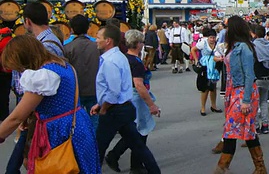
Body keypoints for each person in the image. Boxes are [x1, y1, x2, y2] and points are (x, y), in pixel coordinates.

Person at [0, 35, 100, 173]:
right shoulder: (64, 65)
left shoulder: (43, 75)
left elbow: (16, 117)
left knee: (59, 166)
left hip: (59, 131)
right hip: (78, 124)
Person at [91, 25, 161, 174]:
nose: (96, 40)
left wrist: (103, 108)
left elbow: (113, 91)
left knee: (97, 149)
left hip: (114, 109)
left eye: (98, 37)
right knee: (138, 145)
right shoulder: (118, 56)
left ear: (108, 41)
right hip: (121, 107)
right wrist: (100, 104)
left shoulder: (111, 61)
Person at [215, 16, 266, 174]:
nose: (226, 30)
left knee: (231, 130)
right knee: (247, 130)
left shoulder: (244, 48)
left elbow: (250, 75)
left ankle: (221, 168)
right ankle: (260, 168)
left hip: (243, 92)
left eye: (228, 27)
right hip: (233, 91)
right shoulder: (234, 47)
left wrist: (245, 100)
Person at [63, 14, 102, 131]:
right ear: (88, 28)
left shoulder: (67, 47)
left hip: (75, 90)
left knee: (75, 121)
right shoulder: (97, 46)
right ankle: (94, 145)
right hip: (94, 88)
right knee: (94, 121)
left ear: (72, 29)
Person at [191, 27, 222, 116]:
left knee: (213, 87)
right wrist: (196, 60)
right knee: (205, 88)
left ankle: (213, 105)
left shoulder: (218, 44)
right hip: (205, 66)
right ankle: (203, 107)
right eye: (211, 37)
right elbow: (193, 49)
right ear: (207, 37)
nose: (212, 39)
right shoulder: (203, 43)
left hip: (215, 66)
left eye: (213, 37)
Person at [251, 24, 269, 134]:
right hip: (268, 76)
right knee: (264, 102)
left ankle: (255, 126)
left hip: (257, 76)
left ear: (255, 33)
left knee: (254, 103)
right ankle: (265, 125)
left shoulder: (253, 45)